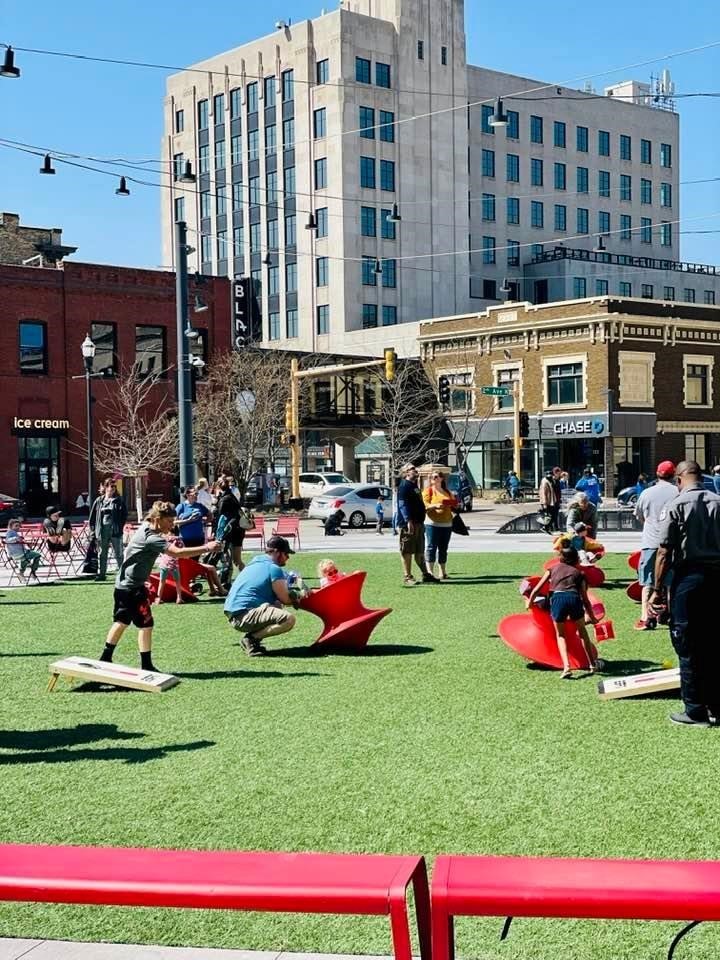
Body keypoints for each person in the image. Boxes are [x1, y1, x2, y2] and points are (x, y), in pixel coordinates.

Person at [99, 502, 220, 672]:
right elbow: (176, 553)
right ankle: (146, 665)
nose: (172, 525)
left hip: (122, 585)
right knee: (146, 625)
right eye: (170, 521)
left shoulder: (147, 526)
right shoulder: (152, 538)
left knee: (121, 621)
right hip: (133, 589)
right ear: (158, 519)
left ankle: (105, 658)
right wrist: (207, 547)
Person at [651, 460, 720, 726]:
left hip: (689, 580)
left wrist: (657, 590)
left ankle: (695, 710)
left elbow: (664, 551)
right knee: (714, 643)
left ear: (679, 480)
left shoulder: (677, 505)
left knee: (688, 644)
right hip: (716, 579)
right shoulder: (717, 501)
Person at [526, 546, 599, 679]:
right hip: (574, 599)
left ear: (561, 558)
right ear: (576, 559)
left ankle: (566, 667)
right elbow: (585, 599)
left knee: (561, 635)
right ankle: (592, 664)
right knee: (582, 632)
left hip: (558, 599)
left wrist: (530, 602)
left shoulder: (552, 569)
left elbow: (537, 589)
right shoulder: (579, 574)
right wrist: (592, 617)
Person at [223, 535, 298, 656]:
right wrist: (298, 595)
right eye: (286, 554)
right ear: (277, 552)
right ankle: (251, 639)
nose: (287, 558)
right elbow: (286, 599)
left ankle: (253, 641)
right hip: (244, 615)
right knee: (288, 619)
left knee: (277, 605)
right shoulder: (274, 568)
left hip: (235, 614)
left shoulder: (254, 564)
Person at [633, 460, 677, 630]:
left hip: (650, 543)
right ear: (673, 475)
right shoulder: (678, 492)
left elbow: (639, 516)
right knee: (670, 583)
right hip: (672, 543)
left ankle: (645, 617)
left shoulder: (646, 493)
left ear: (657, 474)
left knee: (647, 582)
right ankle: (670, 615)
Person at [397, 463, 438, 587]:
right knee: (407, 551)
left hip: (419, 523)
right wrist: (408, 521)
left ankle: (425, 574)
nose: (415, 470)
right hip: (409, 525)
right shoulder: (404, 486)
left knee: (419, 551)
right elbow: (402, 505)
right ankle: (407, 577)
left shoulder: (414, 486)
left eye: (415, 468)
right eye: (412, 469)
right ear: (406, 473)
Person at [89, 477, 128, 581]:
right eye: (111, 486)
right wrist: (93, 531)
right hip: (102, 531)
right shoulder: (99, 500)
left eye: (114, 487)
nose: (113, 489)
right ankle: (102, 574)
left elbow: (124, 515)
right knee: (102, 553)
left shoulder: (118, 501)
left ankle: (122, 575)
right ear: (106, 487)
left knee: (118, 553)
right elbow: (92, 517)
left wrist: (119, 526)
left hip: (115, 530)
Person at [422, 471, 458, 580]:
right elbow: (425, 505)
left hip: (447, 523)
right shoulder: (428, 491)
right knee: (431, 547)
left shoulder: (447, 491)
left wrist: (452, 503)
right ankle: (430, 573)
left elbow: (455, 503)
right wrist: (435, 505)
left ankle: (442, 572)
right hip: (432, 523)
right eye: (432, 477)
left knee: (443, 548)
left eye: (436, 476)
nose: (434, 478)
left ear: (441, 478)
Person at [215, 477, 246, 575]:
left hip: (230, 530)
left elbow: (220, 514)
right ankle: (236, 576)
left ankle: (229, 577)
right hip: (237, 530)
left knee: (230, 558)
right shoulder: (230, 496)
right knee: (236, 559)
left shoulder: (225, 498)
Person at [154, 536, 184, 605]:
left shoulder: (163, 539)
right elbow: (182, 550)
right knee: (177, 582)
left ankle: (158, 599)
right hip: (174, 564)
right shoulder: (178, 540)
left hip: (164, 564)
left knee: (161, 582)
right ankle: (179, 598)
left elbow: (159, 549)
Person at [538, 467, 562, 531]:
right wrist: (544, 503)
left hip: (554, 500)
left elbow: (557, 491)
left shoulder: (554, 480)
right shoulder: (545, 481)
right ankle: (546, 527)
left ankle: (552, 527)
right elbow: (543, 492)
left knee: (554, 515)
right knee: (550, 515)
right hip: (548, 501)